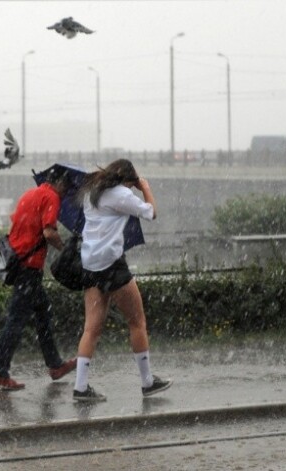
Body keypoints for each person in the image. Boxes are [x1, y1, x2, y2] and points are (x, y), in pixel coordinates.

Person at [72, 159, 172, 402]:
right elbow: (151, 213)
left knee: (91, 329)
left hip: (90, 265)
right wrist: (145, 187)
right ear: (128, 180)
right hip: (112, 266)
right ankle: (148, 382)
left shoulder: (91, 193)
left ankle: (81, 387)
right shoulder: (121, 194)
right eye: (132, 182)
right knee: (137, 322)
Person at [0, 168, 77, 390]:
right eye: (66, 187)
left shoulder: (30, 194)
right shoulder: (51, 197)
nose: (66, 193)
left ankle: (55, 365)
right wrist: (66, 249)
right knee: (16, 320)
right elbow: (48, 232)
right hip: (29, 268)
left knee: (43, 312)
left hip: (18, 263)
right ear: (59, 183)